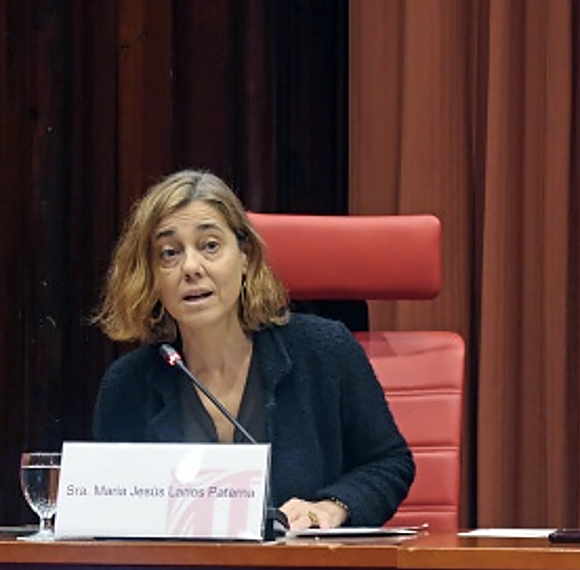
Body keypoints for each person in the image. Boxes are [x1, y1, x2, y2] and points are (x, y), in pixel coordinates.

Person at [91, 169, 414, 529]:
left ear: (244, 257)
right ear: (150, 276)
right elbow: (112, 517)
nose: (191, 267)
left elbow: (390, 462)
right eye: (169, 253)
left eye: (210, 245)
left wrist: (333, 506)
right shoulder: (128, 386)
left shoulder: (325, 352)